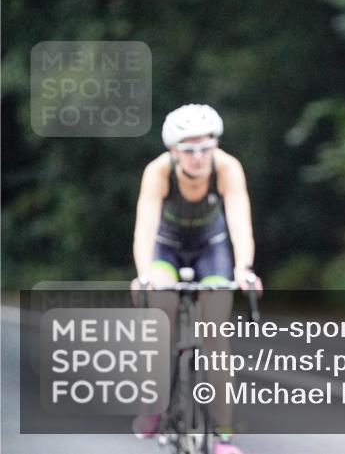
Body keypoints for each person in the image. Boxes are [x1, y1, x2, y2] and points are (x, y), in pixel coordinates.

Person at [131, 104, 260, 454]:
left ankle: (223, 434)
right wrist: (144, 274)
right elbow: (145, 227)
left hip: (211, 249)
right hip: (167, 249)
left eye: (207, 147)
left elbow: (239, 221)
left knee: (216, 336)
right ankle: (154, 403)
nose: (199, 157)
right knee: (161, 312)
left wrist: (244, 269)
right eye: (189, 150)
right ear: (174, 151)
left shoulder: (227, 167)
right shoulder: (158, 171)